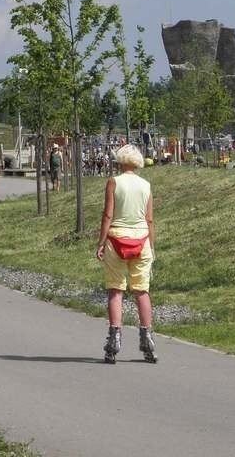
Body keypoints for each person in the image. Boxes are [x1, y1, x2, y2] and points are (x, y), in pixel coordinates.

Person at [95, 144, 157, 365]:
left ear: (120, 161)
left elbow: (108, 215)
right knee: (141, 291)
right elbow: (149, 219)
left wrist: (101, 243)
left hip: (116, 239)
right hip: (141, 239)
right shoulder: (146, 185)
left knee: (116, 290)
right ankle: (147, 338)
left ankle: (114, 340)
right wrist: (152, 244)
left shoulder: (114, 182)